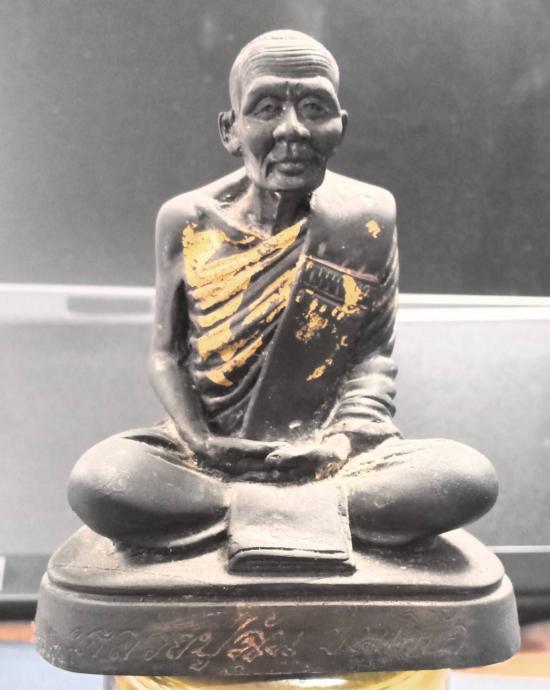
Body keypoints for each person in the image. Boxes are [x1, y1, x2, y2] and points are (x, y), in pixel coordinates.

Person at [68, 30, 497, 552]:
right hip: (211, 454)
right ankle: (304, 517)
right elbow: (166, 354)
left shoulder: (366, 220)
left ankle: (248, 514)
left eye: (314, 108)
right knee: (102, 483)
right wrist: (201, 441)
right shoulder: (187, 221)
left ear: (341, 127)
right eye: (267, 108)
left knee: (466, 477)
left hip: (330, 457)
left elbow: (372, 361)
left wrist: (337, 446)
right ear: (230, 130)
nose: (293, 129)